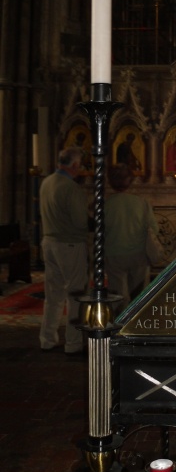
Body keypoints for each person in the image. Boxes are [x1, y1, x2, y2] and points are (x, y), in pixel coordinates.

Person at [39, 147, 90, 354]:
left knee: (53, 295)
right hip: (70, 244)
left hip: (49, 242)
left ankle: (47, 339)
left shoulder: (47, 182)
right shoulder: (70, 188)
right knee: (75, 293)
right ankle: (73, 342)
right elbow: (80, 222)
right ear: (75, 165)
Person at [105, 163, 159, 313]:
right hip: (138, 255)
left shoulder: (105, 204)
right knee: (138, 294)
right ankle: (135, 324)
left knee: (116, 294)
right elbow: (154, 228)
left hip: (113, 254)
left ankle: (118, 324)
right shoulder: (141, 203)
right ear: (130, 181)